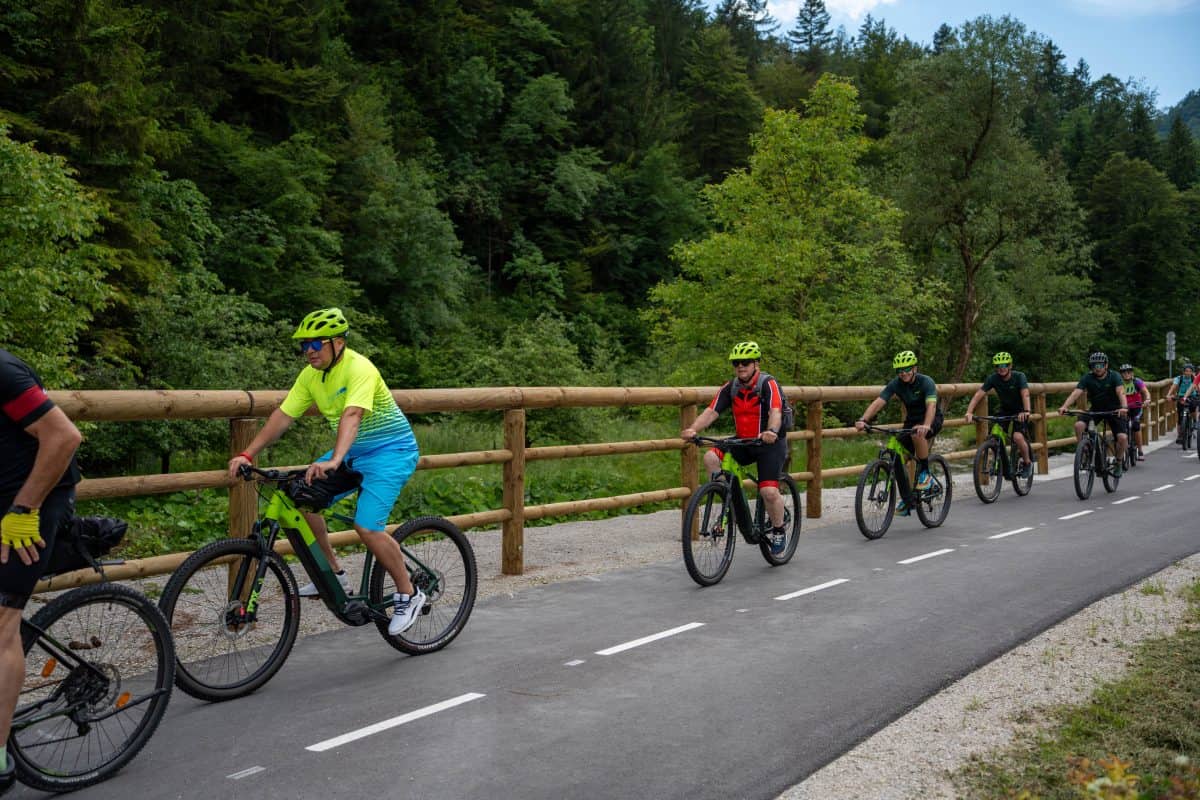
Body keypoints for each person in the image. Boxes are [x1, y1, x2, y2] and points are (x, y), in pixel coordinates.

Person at [227, 308, 424, 636]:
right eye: (304, 345)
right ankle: (334, 574)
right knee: (301, 496)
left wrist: (335, 460)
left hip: (390, 452)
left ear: (338, 343)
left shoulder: (359, 368)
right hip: (352, 452)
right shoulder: (310, 375)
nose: (309, 351)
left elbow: (352, 415)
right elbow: (283, 416)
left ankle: (409, 593)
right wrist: (248, 453)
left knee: (367, 526)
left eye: (316, 343)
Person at [0, 348, 82, 793]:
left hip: (32, 500)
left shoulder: (2, 370)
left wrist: (23, 509)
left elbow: (63, 436)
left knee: (2, 619)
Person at [680, 342, 789, 554]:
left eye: (745, 362)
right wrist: (693, 429)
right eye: (736, 363)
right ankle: (729, 499)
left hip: (769, 444)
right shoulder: (731, 387)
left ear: (756, 364)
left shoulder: (768, 384)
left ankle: (778, 529)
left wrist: (772, 431)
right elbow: (711, 412)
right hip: (744, 441)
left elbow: (775, 411)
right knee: (711, 458)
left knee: (768, 491)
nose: (740, 366)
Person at [854, 350, 944, 516]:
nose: (903, 373)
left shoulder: (926, 382)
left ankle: (925, 473)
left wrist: (926, 425)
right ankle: (908, 501)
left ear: (914, 368)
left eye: (907, 369)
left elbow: (931, 406)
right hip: (911, 421)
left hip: (931, 419)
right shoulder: (896, 384)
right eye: (899, 370)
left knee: (917, 433)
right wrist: (863, 419)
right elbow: (879, 402)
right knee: (895, 456)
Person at [964, 351, 1033, 477]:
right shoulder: (993, 378)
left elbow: (1025, 394)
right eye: (998, 366)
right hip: (1005, 410)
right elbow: (978, 395)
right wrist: (969, 412)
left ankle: (1027, 463)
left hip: (1020, 411)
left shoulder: (1019, 376)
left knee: (1017, 437)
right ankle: (999, 463)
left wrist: (1027, 411)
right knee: (995, 434)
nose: (1001, 368)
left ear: (1010, 366)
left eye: (1004, 365)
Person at [1058, 352, 1128, 473]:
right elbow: (1076, 392)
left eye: (1100, 365)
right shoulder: (1088, 377)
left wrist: (1124, 407)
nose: (1097, 368)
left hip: (1115, 410)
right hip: (1096, 410)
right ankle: (1084, 451)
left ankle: (1118, 462)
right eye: (1094, 366)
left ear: (1106, 366)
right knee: (1079, 425)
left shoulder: (1114, 376)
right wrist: (1064, 406)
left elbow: (1121, 392)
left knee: (1122, 437)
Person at [1119, 364, 1150, 461]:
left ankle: (1140, 450)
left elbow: (1145, 391)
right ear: (1121, 374)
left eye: (1128, 372)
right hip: (1123, 408)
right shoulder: (1119, 383)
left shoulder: (1137, 382)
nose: (1126, 374)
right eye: (1124, 372)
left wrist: (1147, 399)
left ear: (1132, 373)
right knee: (1120, 426)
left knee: (1136, 425)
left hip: (1136, 407)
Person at [1167, 362, 1196, 444]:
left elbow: (1197, 386)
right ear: (1183, 372)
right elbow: (1173, 386)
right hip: (1180, 397)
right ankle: (1180, 435)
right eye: (1186, 371)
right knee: (1180, 418)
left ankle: (1194, 421)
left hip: (1192, 396)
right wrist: (1169, 395)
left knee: (1193, 409)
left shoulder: (1194, 378)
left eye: (1190, 371)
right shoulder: (1179, 378)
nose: (1188, 373)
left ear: (1192, 372)